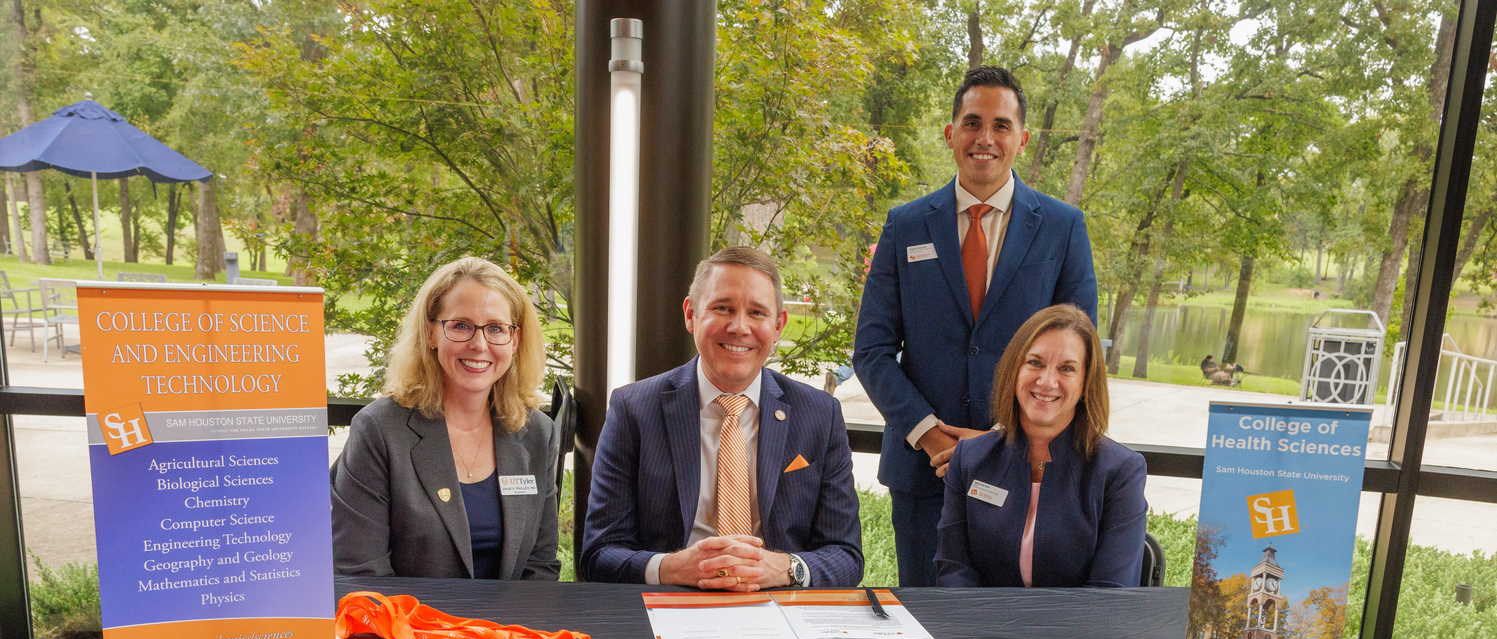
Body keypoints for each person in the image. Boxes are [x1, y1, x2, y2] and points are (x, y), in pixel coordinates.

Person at [853, 64, 1098, 586]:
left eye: (1001, 125)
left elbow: (1080, 356)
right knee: (925, 629)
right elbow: (871, 351)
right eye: (972, 123)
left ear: (1022, 139)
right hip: (923, 470)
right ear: (950, 134)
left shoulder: (1062, 228)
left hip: (1022, 465)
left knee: (1003, 630)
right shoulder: (905, 225)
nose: (985, 138)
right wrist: (931, 436)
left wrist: (1002, 441)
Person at [580, 247, 862, 589]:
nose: (739, 327)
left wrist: (785, 568)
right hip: (670, 605)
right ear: (690, 314)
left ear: (777, 327)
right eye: (722, 308)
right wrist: (671, 568)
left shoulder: (819, 414)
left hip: (781, 607)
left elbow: (846, 555)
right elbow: (599, 555)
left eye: (757, 312)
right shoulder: (633, 409)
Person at [332, 256, 559, 580]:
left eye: (496, 328)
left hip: (509, 628)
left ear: (515, 340)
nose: (479, 344)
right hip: (408, 629)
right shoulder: (380, 431)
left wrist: (512, 633)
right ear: (431, 333)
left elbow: (540, 567)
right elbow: (360, 576)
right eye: (461, 326)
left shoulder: (536, 432)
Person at [935, 305, 1146, 588]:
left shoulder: (1121, 472)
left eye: (1067, 368)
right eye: (1035, 362)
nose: (1047, 381)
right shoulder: (970, 459)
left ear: (1085, 383)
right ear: (1014, 370)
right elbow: (955, 572)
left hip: (1077, 630)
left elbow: (1109, 592)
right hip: (982, 626)